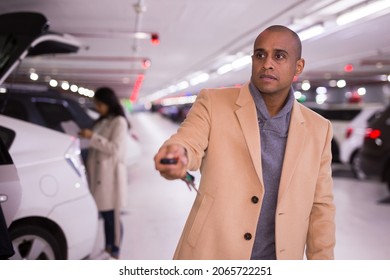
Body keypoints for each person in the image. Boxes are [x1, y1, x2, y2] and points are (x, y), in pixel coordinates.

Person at [153, 25, 336, 260]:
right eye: (260, 55)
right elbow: (189, 141)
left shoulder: (318, 129)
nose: (267, 63)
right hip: (212, 254)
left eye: (279, 56)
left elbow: (321, 207)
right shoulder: (213, 102)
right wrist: (179, 153)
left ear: (298, 67)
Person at [79, 87, 129, 259]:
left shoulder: (119, 122)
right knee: (106, 215)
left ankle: (114, 250)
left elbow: (115, 148)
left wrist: (92, 137)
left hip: (110, 176)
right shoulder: (102, 121)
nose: (97, 108)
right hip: (98, 174)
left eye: (100, 104)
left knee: (112, 216)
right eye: (96, 104)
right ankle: (108, 248)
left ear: (109, 103)